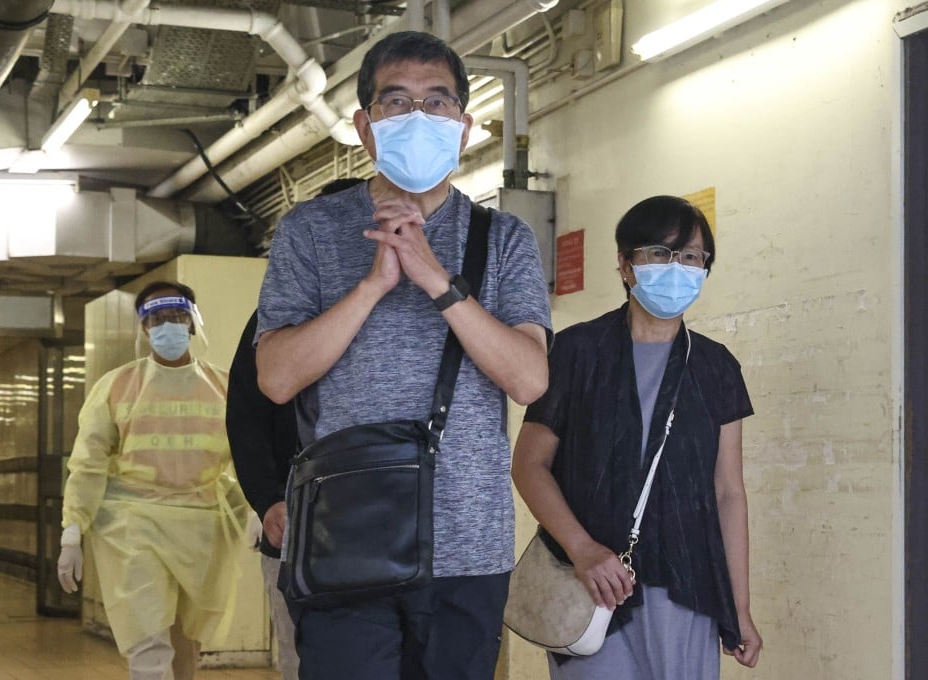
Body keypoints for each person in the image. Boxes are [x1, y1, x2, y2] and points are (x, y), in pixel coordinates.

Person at [254, 30, 553, 680]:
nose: (419, 117)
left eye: (437, 102)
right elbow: (275, 378)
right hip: (342, 538)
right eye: (396, 102)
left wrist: (437, 281)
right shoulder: (309, 231)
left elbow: (529, 379)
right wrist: (370, 288)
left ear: (464, 128)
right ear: (365, 127)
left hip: (467, 548)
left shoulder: (504, 239)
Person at [511, 195, 762, 679]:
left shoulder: (716, 368)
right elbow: (529, 464)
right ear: (626, 265)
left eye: (691, 256)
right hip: (591, 590)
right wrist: (582, 549)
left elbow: (728, 491)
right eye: (659, 253)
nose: (676, 267)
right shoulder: (577, 353)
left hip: (688, 590)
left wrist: (740, 607)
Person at [57, 281, 249, 680]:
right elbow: (89, 461)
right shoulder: (116, 386)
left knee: (187, 638)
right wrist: (73, 529)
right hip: (135, 525)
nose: (168, 326)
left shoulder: (225, 388)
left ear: (193, 323)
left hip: (203, 529)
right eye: (157, 319)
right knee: (147, 637)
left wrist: (263, 508)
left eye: (177, 316)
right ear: (144, 329)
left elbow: (250, 456)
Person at [226, 176, 366, 680]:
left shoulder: (408, 311)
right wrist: (266, 500)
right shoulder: (273, 323)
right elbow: (246, 418)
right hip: (298, 527)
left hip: (394, 527)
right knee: (304, 660)